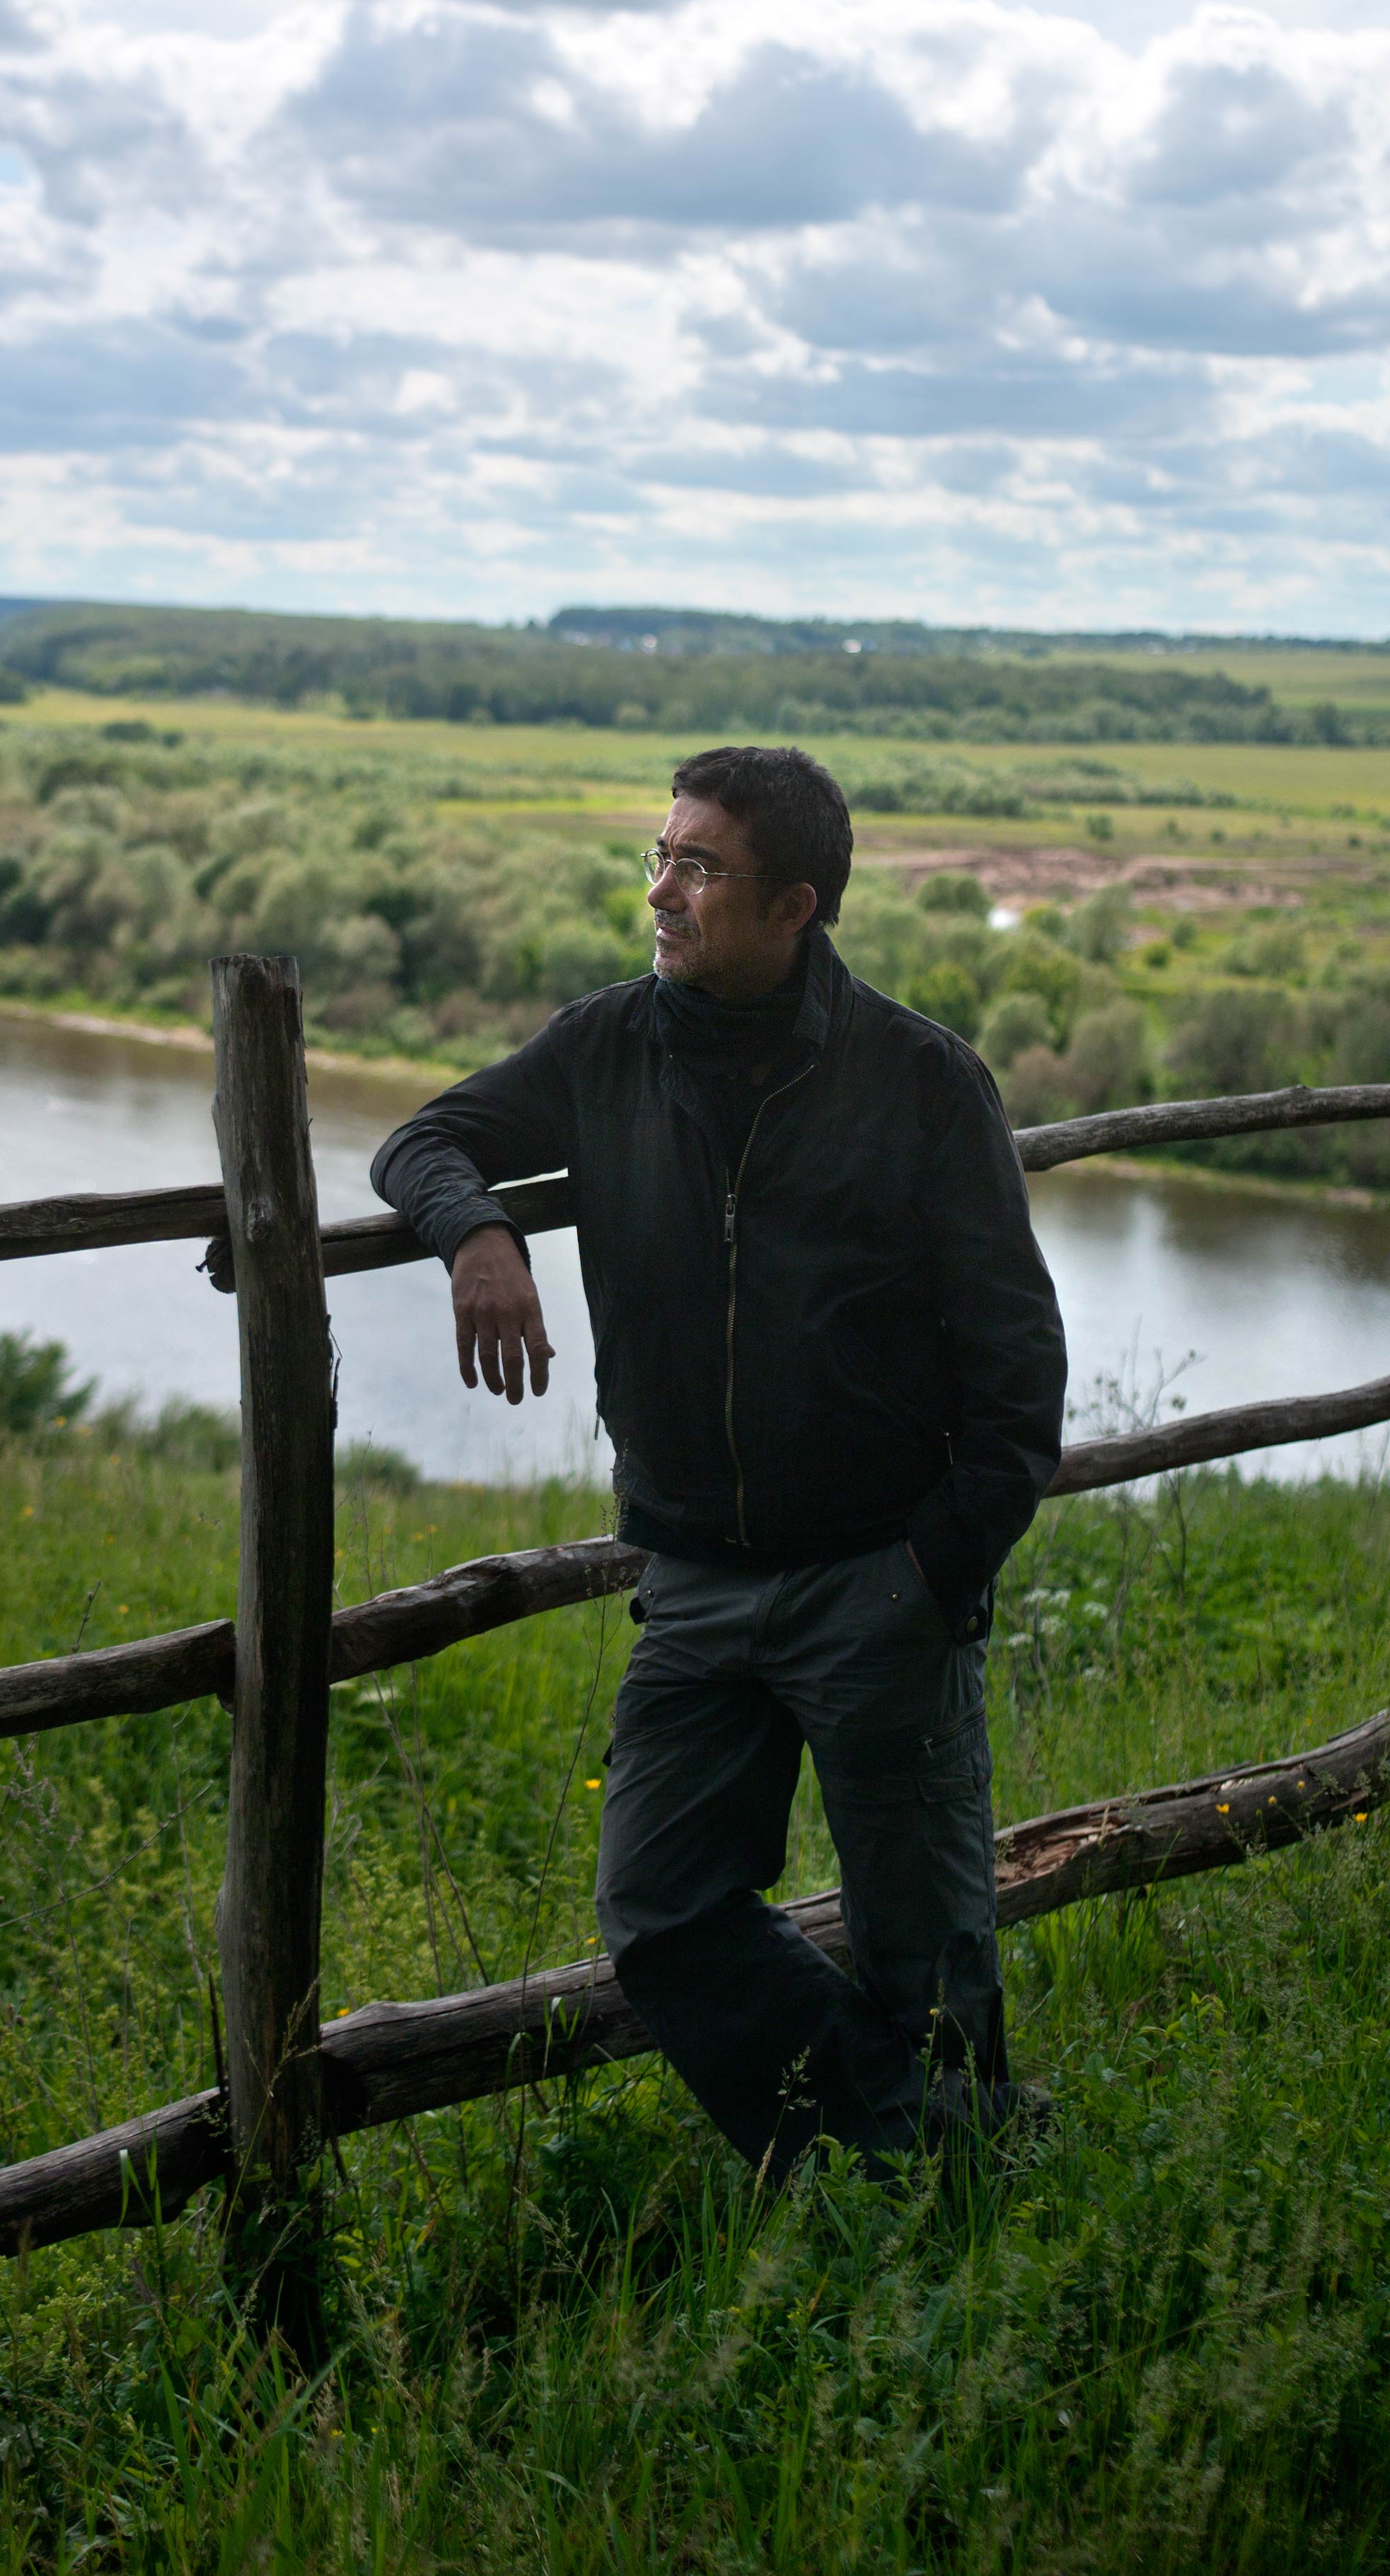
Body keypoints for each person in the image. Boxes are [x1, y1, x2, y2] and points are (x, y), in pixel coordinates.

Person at [370, 744, 1066, 2174]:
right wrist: (480, 1234)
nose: (663, 893)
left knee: (922, 1943)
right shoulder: (609, 1045)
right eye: (661, 856)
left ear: (795, 904)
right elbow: (425, 1138)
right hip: (692, 1583)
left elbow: (1016, 1362)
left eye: (699, 867)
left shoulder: (922, 1081)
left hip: (879, 1578)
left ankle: (934, 2211)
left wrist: (936, 1569)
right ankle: (922, 2156)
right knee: (664, 1910)